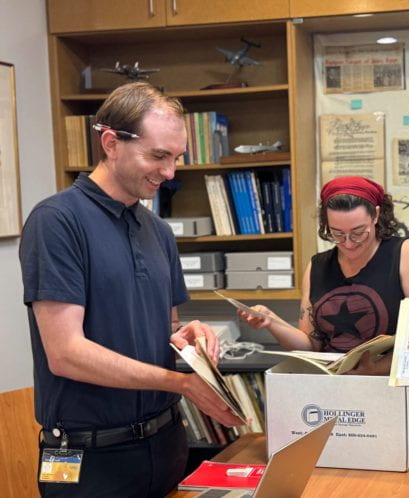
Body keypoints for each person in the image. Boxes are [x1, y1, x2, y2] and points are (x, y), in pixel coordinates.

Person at [20, 82, 243, 498]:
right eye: (158, 156)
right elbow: (66, 354)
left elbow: (166, 330)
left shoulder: (157, 231)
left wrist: (187, 342)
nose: (171, 173)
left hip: (166, 444)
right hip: (87, 460)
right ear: (111, 143)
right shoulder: (56, 221)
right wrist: (180, 384)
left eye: (175, 158)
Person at [239, 176, 409, 435]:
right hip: (340, 401)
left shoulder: (406, 253)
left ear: (376, 215)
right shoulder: (318, 266)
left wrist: (376, 368)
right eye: (337, 234)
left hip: (401, 400)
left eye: (358, 232)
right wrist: (272, 322)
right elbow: (311, 345)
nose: (348, 243)